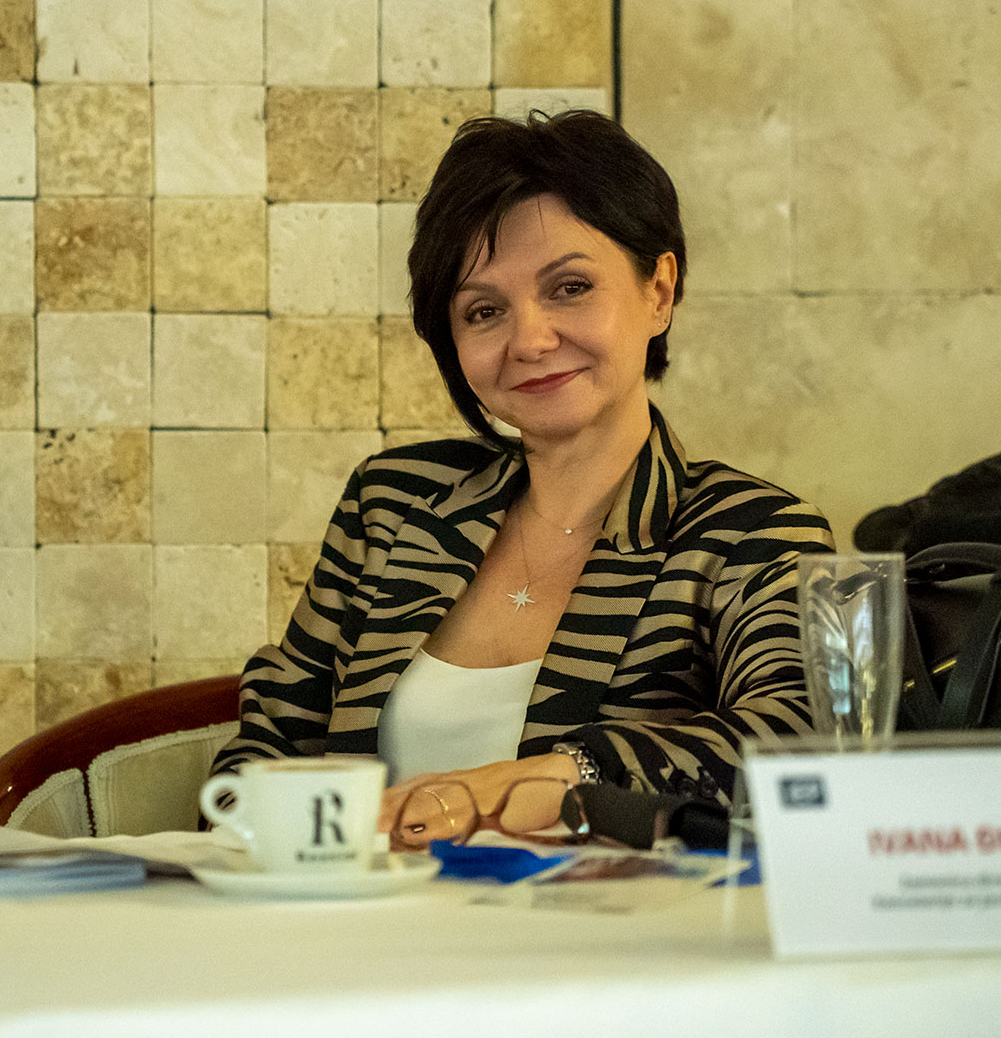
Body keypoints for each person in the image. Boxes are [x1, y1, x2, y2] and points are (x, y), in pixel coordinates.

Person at [209, 110, 834, 845]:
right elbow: (269, 746)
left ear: (659, 292)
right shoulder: (393, 504)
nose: (529, 340)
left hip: (605, 918)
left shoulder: (752, 531)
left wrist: (550, 778)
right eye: (484, 310)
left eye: (570, 287)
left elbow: (801, 739)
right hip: (364, 913)